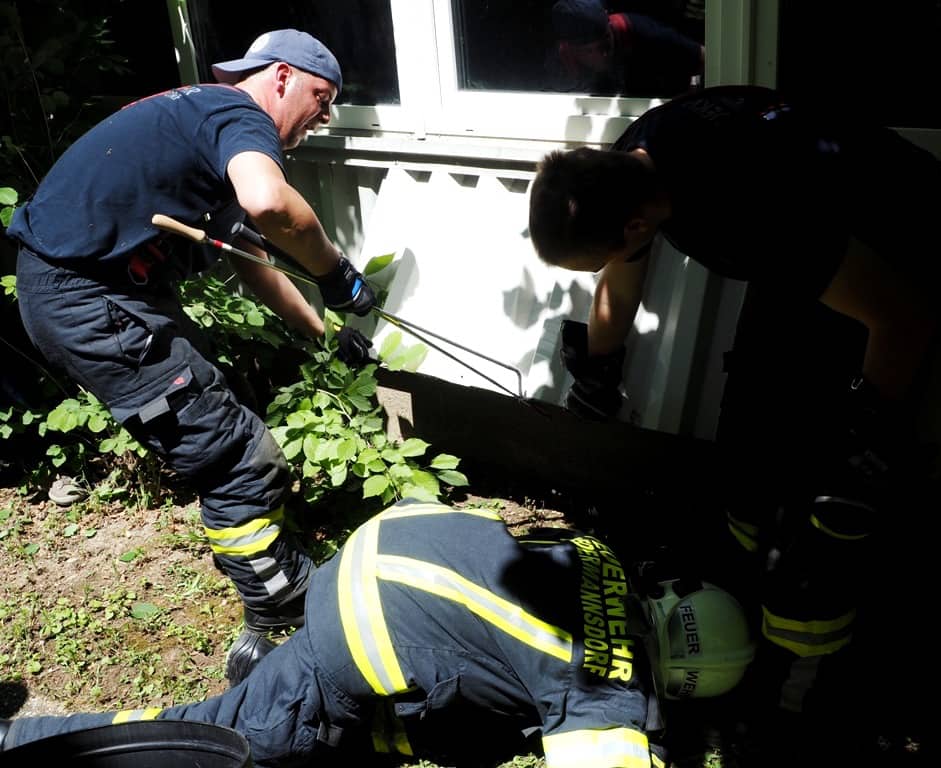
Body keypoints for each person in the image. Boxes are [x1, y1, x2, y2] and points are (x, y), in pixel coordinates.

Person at [528, 84, 941, 713]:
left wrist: (869, 435)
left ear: (636, 225)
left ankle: (807, 688)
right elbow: (621, 276)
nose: (602, 267)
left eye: (599, 255)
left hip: (888, 217)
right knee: (749, 447)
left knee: (830, 500)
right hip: (808, 231)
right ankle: (750, 613)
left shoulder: (750, 205)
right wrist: (595, 372)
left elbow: (902, 319)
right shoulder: (623, 168)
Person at [4, 29, 377, 686]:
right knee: (232, 452)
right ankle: (282, 616)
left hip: (89, 293)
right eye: (322, 99)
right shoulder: (236, 113)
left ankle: (268, 586)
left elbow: (255, 260)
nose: (323, 118)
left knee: (219, 410)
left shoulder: (201, 120)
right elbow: (270, 203)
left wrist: (323, 334)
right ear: (282, 77)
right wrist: (337, 269)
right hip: (88, 297)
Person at [0, 500, 756, 768]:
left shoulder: (603, 560)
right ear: (686, 683)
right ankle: (19, 743)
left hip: (377, 557)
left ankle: (273, 666)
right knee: (207, 739)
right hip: (359, 635)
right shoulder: (609, 696)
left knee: (494, 699)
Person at [551, 0, 704, 97]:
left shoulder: (642, 31)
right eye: (589, 50)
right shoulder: (561, 60)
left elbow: (705, 58)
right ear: (572, 48)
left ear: (608, 22)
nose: (602, 55)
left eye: (606, 44)